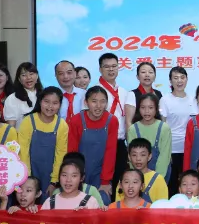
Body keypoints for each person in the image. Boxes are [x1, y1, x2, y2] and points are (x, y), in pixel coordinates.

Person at [66, 86, 118, 195]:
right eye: (94, 101)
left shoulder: (112, 121)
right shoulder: (76, 120)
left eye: (102, 101)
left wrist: (105, 181)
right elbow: (72, 152)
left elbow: (110, 152)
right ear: (86, 102)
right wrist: (74, 177)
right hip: (80, 172)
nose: (98, 106)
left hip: (100, 174)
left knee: (102, 201)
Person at [18, 87, 69, 197]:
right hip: (30, 173)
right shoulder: (28, 121)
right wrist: (27, 178)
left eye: (55, 103)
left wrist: (54, 181)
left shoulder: (62, 125)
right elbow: (23, 152)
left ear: (60, 105)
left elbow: (60, 154)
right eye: (46, 101)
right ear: (40, 101)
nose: (50, 106)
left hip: (50, 176)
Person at [161, 67, 199, 194]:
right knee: (172, 185)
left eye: (182, 77)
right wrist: (166, 152)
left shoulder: (194, 100)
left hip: (190, 149)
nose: (179, 81)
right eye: (175, 78)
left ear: (187, 80)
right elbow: (163, 128)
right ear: (170, 81)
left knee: (189, 184)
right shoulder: (165, 100)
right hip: (171, 149)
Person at [97, 52, 129, 184]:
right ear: (100, 69)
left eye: (114, 66)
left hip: (120, 143)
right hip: (101, 142)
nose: (111, 70)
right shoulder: (95, 91)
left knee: (119, 181)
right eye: (107, 67)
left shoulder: (124, 92)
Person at [128, 93, 172, 181]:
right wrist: (136, 178)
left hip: (160, 176)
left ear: (156, 109)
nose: (147, 111)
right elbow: (132, 156)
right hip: (138, 178)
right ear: (138, 109)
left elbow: (164, 156)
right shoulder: (133, 129)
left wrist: (157, 179)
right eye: (143, 107)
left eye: (151, 108)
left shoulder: (164, 128)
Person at [127, 137, 169, 203]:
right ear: (129, 157)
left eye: (143, 155)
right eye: (134, 155)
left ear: (149, 156)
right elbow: (118, 205)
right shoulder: (124, 179)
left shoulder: (158, 179)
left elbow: (163, 206)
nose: (138, 159)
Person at [4, 62, 41, 126]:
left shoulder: (44, 95)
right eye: (24, 75)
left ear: (37, 76)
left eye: (31, 74)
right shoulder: (12, 98)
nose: (28, 77)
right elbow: (11, 127)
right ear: (19, 79)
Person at [125, 61, 161, 126]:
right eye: (143, 72)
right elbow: (128, 122)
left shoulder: (158, 94)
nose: (147, 75)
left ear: (155, 77)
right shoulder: (132, 94)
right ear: (137, 77)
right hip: (138, 131)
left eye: (150, 72)